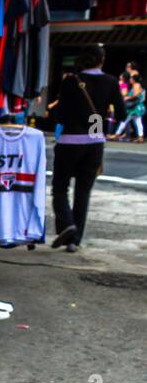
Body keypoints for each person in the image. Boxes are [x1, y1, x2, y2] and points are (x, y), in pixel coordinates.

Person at [50, 45, 126, 251]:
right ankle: (74, 241)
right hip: (94, 141)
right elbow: (121, 114)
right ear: (102, 60)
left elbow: (60, 116)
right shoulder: (110, 81)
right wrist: (100, 119)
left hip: (69, 142)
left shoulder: (70, 81)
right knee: (83, 192)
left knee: (59, 188)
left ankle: (67, 225)